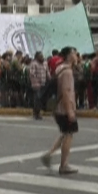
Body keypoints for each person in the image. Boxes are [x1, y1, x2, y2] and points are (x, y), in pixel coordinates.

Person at [40, 46, 82, 175]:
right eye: (74, 54)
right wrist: (70, 111)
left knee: (65, 133)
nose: (76, 56)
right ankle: (64, 165)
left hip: (58, 108)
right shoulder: (68, 72)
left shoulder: (59, 68)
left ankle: (49, 154)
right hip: (64, 108)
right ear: (69, 56)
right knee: (69, 134)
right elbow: (66, 91)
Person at [29, 51, 49, 120]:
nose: (42, 57)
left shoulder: (45, 63)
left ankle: (38, 112)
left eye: (42, 56)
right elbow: (32, 74)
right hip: (36, 84)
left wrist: (49, 78)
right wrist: (36, 81)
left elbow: (47, 72)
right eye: (40, 56)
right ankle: (36, 113)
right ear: (37, 57)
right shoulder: (34, 64)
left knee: (41, 99)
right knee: (37, 98)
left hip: (44, 83)